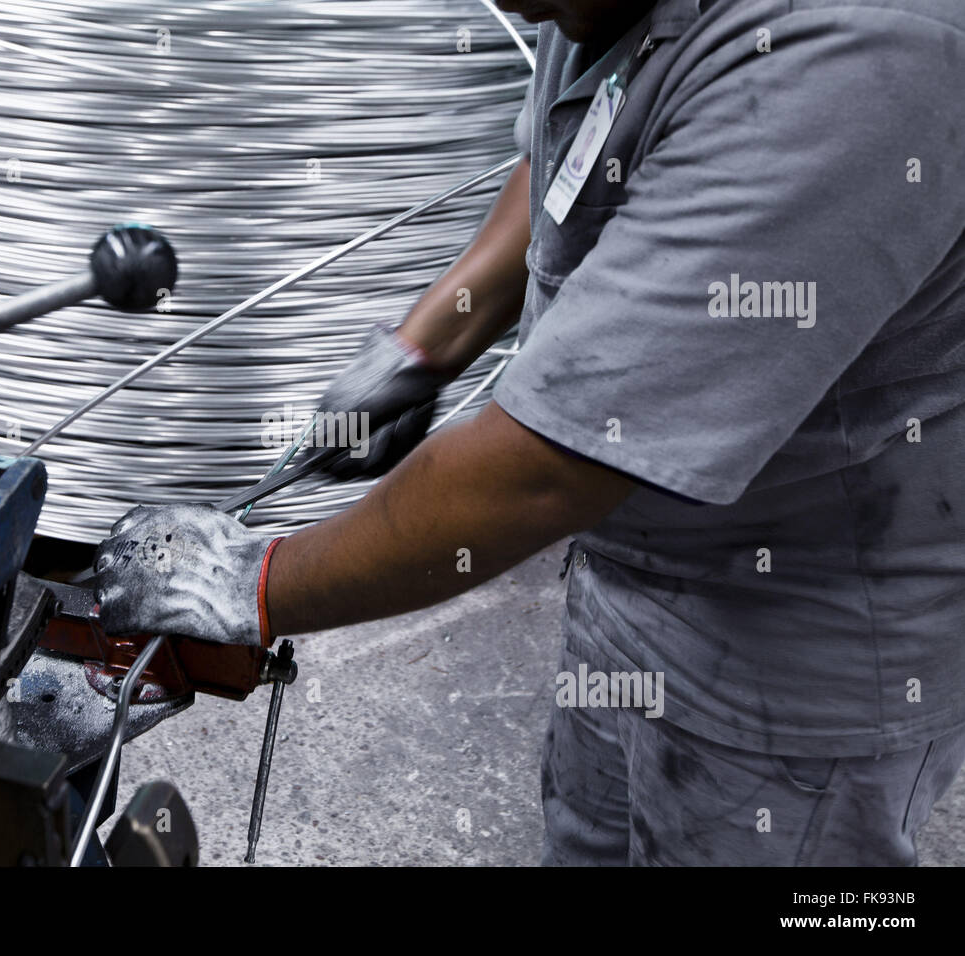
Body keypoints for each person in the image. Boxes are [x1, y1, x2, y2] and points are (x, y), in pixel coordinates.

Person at [93, 0, 965, 865]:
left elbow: (545, 471)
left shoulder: (853, 58)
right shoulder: (600, 6)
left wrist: (251, 583)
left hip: (802, 652)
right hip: (635, 575)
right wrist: (425, 348)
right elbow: (577, 153)